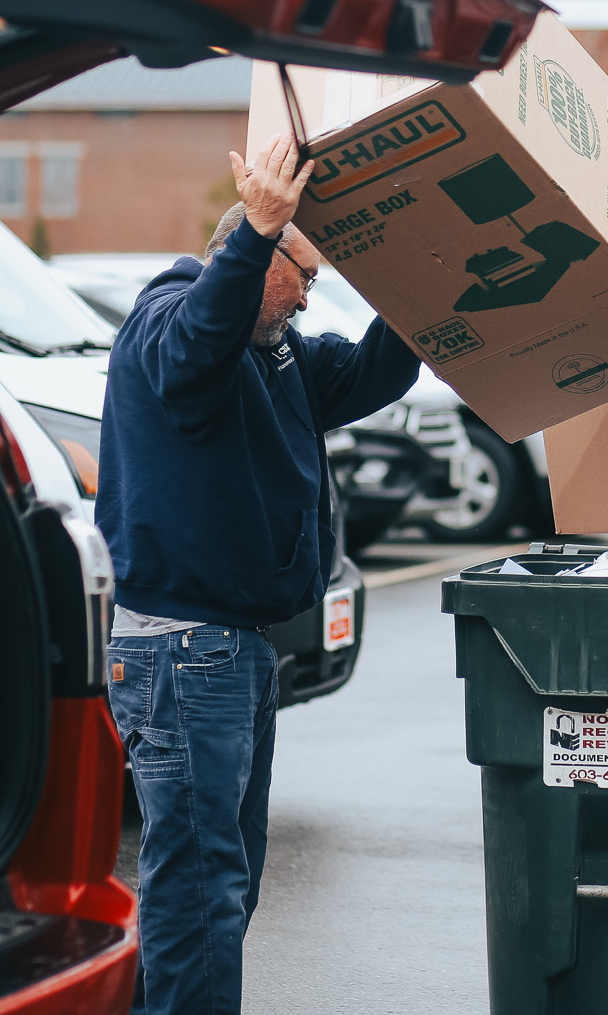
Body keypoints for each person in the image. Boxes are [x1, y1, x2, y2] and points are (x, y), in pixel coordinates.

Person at [97, 132, 421, 1015]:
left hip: (231, 652)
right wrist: (253, 235)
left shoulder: (278, 352)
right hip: (183, 651)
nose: (313, 294)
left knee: (221, 882)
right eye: (303, 272)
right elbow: (199, 340)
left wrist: (419, 290)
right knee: (201, 884)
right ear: (253, 253)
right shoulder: (169, 324)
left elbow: (369, 373)